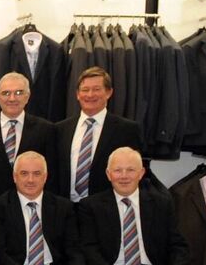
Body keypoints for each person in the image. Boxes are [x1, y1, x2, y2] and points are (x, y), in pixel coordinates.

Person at [53, 67, 145, 202]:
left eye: (96, 89)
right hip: (66, 208)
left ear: (109, 92)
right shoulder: (60, 129)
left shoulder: (127, 130)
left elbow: (134, 172)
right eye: (85, 90)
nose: (90, 95)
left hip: (105, 209)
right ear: (77, 94)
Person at [0, 72, 56, 195]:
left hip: (31, 205)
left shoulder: (46, 130)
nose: (12, 98)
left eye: (19, 93)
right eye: (6, 93)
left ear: (27, 97)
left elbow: (52, 176)